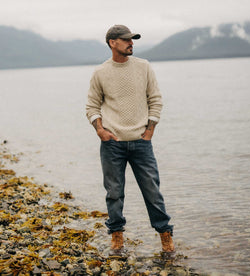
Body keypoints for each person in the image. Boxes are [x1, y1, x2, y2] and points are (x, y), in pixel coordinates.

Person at [86, 25, 174, 254]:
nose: (131, 43)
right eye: (126, 40)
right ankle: (117, 237)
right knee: (114, 192)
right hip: (112, 143)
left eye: (132, 39)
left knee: (152, 192)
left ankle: (165, 235)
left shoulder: (143, 67)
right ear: (112, 42)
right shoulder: (100, 72)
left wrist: (150, 130)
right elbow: (92, 106)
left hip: (141, 142)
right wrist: (100, 130)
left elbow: (155, 99)